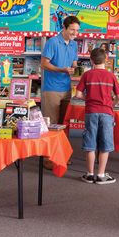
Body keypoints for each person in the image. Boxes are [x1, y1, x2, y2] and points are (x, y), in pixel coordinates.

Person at [75, 48, 119, 184]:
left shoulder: (87, 75)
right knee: (105, 143)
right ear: (106, 59)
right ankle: (101, 175)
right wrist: (111, 104)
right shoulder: (111, 76)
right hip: (106, 112)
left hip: (91, 111)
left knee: (90, 143)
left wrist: (87, 99)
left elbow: (78, 94)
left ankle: (89, 174)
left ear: (91, 60)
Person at [41, 16, 80, 170]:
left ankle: (62, 155)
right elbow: (44, 64)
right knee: (51, 124)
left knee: (64, 125)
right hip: (51, 89)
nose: (74, 33)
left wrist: (77, 69)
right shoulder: (52, 42)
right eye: (72, 30)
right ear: (64, 28)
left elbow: (74, 63)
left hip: (67, 88)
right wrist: (61, 69)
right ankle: (48, 159)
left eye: (77, 30)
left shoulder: (74, 45)